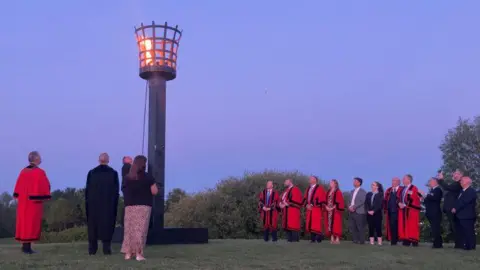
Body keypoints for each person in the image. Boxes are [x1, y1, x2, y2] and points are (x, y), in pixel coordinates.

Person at [13, 151, 51, 254]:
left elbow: (17, 187)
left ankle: (25, 247)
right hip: (33, 203)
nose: (41, 159)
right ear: (36, 159)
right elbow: (45, 185)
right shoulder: (39, 172)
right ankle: (27, 248)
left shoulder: (23, 171)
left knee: (25, 224)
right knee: (30, 224)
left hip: (23, 202)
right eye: (39, 157)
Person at [121, 155, 158, 260]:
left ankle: (128, 253)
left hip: (129, 207)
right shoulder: (148, 177)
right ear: (144, 164)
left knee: (129, 230)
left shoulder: (127, 177)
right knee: (140, 231)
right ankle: (139, 254)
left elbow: (123, 190)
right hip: (143, 206)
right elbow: (154, 191)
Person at [85, 153, 120, 255]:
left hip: (93, 205)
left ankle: (92, 249)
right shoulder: (113, 173)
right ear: (108, 160)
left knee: (93, 226)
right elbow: (115, 190)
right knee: (107, 225)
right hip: (108, 204)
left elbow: (87, 189)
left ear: (99, 160)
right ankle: (106, 248)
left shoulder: (91, 173)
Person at [437, 169, 463, 247]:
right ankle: (458, 243)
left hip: (453, 208)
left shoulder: (459, 184)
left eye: (457, 173)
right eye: (454, 173)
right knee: (453, 226)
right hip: (450, 208)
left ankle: (459, 244)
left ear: (461, 175)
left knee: (455, 226)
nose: (454, 174)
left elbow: (447, 187)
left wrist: (441, 179)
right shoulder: (455, 183)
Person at [452, 176, 477, 250]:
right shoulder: (462, 191)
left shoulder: (471, 191)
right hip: (460, 215)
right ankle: (465, 245)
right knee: (463, 231)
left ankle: (471, 246)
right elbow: (458, 201)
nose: (460, 182)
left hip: (467, 215)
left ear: (467, 182)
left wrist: (455, 208)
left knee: (469, 231)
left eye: (462, 180)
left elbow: (464, 202)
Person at [398, 174, 421, 247]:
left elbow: (413, 199)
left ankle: (414, 241)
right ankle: (406, 240)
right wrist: (399, 203)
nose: (402, 180)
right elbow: (399, 197)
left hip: (411, 210)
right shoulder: (403, 189)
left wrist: (405, 205)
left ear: (409, 180)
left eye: (404, 179)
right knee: (404, 225)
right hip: (403, 210)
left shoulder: (414, 188)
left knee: (412, 226)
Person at [421, 177, 443, 248]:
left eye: (430, 181)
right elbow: (427, 201)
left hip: (435, 212)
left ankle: (437, 244)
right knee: (433, 228)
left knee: (436, 228)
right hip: (430, 212)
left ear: (435, 182)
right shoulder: (431, 190)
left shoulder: (438, 190)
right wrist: (423, 198)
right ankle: (436, 243)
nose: (429, 182)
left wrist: (426, 194)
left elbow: (435, 198)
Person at [303, 176, 326, 243]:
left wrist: (312, 204)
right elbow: (305, 198)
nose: (309, 180)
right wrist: (306, 205)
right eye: (309, 179)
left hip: (316, 209)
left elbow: (321, 198)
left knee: (316, 224)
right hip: (309, 209)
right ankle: (312, 239)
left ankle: (319, 238)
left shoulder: (319, 188)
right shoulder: (308, 188)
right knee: (310, 224)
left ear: (315, 180)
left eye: (311, 179)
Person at [324, 179, 344, 244]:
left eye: (332, 182)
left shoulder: (338, 192)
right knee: (329, 224)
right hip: (329, 210)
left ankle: (337, 239)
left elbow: (339, 201)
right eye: (330, 182)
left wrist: (332, 208)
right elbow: (325, 200)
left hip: (335, 211)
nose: (330, 183)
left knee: (336, 224)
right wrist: (326, 207)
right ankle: (332, 238)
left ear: (335, 184)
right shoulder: (328, 191)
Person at [383, 177, 402, 245]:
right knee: (392, 226)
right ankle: (393, 241)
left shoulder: (402, 189)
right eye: (392, 180)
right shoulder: (389, 190)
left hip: (399, 211)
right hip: (390, 211)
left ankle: (400, 240)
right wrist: (385, 209)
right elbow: (385, 200)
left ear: (398, 182)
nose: (393, 182)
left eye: (394, 181)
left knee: (399, 226)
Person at [348, 177, 367, 244]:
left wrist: (354, 207)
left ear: (359, 183)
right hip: (351, 211)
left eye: (355, 181)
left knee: (360, 227)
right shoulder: (352, 191)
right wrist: (349, 207)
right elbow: (350, 201)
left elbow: (362, 201)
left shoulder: (363, 191)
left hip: (359, 211)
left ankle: (361, 241)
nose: (354, 182)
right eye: (354, 181)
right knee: (353, 227)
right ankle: (355, 240)